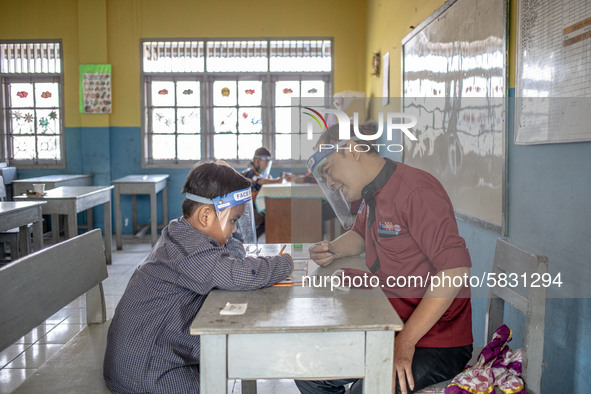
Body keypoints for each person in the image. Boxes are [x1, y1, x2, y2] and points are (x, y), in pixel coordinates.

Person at [295, 124, 473, 394]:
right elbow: (359, 235)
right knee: (308, 372)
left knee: (367, 391)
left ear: (353, 150)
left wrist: (405, 342)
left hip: (435, 340)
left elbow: (455, 271)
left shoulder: (416, 191)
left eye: (328, 170)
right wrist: (330, 249)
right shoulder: (372, 194)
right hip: (389, 324)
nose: (329, 183)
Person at [103, 161, 293, 393]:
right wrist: (285, 262)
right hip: (146, 370)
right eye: (232, 221)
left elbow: (231, 252)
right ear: (205, 216)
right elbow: (239, 274)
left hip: (153, 353)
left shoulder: (184, 233)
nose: (234, 230)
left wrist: (232, 245)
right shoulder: (187, 250)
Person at [242, 147, 287, 237]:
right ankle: (252, 238)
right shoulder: (250, 173)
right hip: (249, 209)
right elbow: (260, 181)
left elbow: (264, 179)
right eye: (265, 162)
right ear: (257, 161)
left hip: (256, 208)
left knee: (270, 217)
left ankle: (254, 238)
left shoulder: (261, 174)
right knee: (270, 218)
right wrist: (277, 181)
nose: (267, 165)